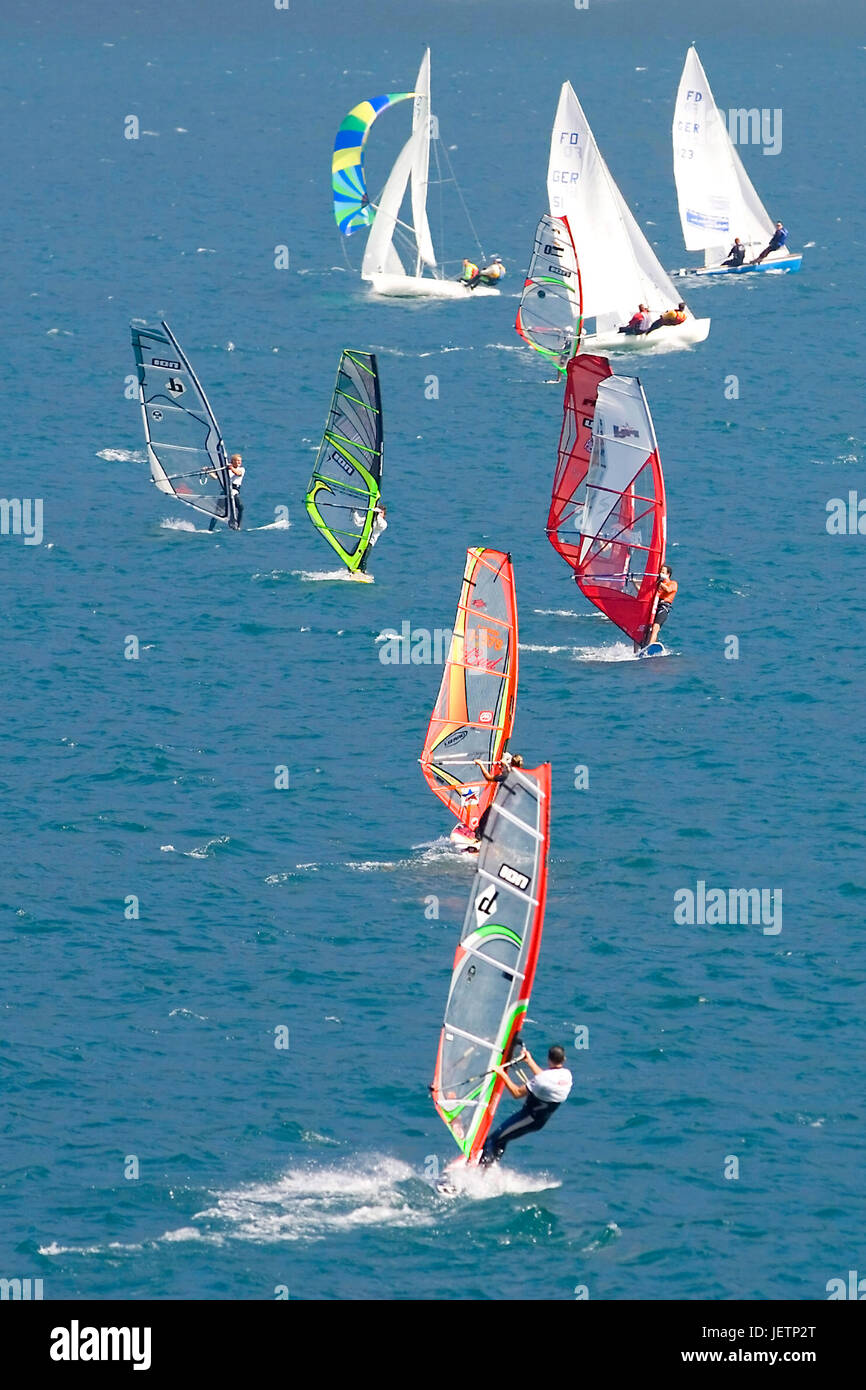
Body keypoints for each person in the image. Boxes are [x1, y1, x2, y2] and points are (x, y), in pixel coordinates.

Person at [479, 1042, 573, 1166]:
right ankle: (488, 1167)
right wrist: (529, 1061)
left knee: (493, 1139)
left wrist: (502, 1074)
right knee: (501, 1139)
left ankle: (479, 1173)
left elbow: (516, 1093)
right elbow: (545, 1078)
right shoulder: (566, 1075)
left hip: (529, 1118)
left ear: (548, 1059)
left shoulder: (543, 1080)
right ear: (564, 1059)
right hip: (538, 1120)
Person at [467, 752, 523, 851]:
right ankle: (491, 841)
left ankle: (480, 842)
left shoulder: (506, 776)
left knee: (483, 821)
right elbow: (510, 772)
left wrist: (480, 764)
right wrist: (504, 765)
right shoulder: (520, 775)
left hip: (499, 805)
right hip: (510, 805)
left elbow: (488, 777)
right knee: (495, 823)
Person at [639, 562, 677, 650]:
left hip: (663, 607)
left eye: (663, 572)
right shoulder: (658, 585)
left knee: (656, 627)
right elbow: (645, 592)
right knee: (646, 628)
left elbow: (668, 590)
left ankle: (650, 645)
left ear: (668, 574)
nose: (661, 574)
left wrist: (659, 582)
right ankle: (642, 646)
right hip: (654, 606)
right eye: (660, 572)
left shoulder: (673, 583)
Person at [355, 503, 387, 574]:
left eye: (381, 512)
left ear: (384, 515)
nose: (379, 513)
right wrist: (355, 512)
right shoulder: (370, 519)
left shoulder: (384, 523)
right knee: (355, 556)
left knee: (363, 560)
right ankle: (353, 570)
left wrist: (377, 514)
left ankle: (362, 572)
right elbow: (358, 522)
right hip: (361, 541)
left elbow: (380, 524)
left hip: (369, 543)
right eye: (379, 512)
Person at [227, 453, 245, 530]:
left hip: (234, 491)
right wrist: (208, 471)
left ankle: (237, 526)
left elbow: (238, 473)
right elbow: (215, 477)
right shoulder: (226, 469)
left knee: (240, 508)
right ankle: (210, 530)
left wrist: (230, 468)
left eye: (240, 461)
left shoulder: (241, 469)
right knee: (218, 512)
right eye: (237, 460)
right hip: (229, 492)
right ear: (232, 461)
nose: (239, 462)